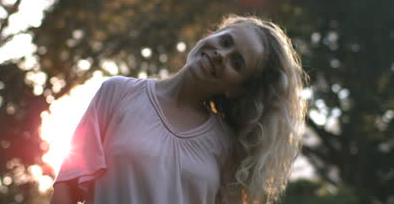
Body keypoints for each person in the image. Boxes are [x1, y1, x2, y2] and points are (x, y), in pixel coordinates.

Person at [50, 14, 308, 204]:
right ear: (212, 34)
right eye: (225, 41)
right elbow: (66, 189)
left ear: (238, 89)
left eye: (237, 62)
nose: (222, 55)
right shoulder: (118, 93)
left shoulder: (227, 146)